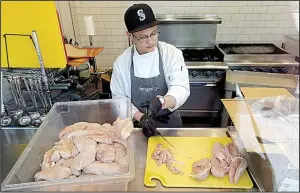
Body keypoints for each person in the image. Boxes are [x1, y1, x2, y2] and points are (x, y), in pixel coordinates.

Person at [110, 3, 190, 137]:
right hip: (137, 126)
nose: (150, 41)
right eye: (142, 37)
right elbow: (119, 99)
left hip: (168, 122)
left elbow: (181, 87)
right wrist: (141, 118)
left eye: (153, 33)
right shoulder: (121, 63)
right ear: (130, 35)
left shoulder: (171, 54)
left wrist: (163, 102)